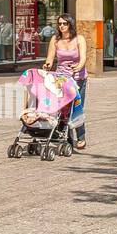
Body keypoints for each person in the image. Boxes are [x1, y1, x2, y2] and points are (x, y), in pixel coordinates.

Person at [44, 13, 88, 150]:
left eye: (65, 23)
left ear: (70, 24)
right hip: (61, 79)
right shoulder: (55, 40)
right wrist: (47, 65)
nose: (62, 26)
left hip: (78, 78)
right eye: (60, 24)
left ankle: (81, 137)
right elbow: (50, 58)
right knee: (64, 108)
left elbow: (83, 58)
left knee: (76, 107)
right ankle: (67, 138)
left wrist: (79, 67)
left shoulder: (79, 39)